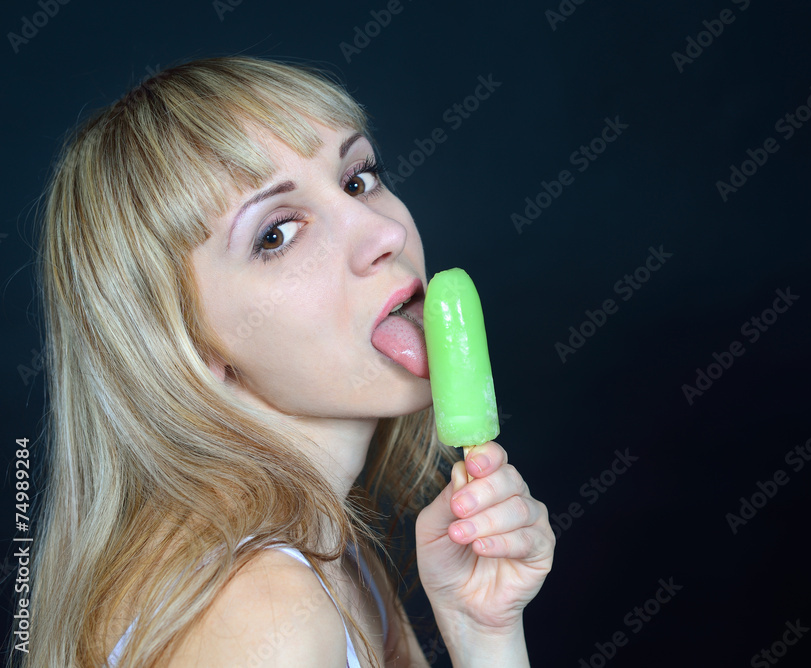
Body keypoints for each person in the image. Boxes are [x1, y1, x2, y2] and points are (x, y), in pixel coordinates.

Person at [20, 55, 554, 667]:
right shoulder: (264, 613)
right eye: (275, 234)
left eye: (357, 180)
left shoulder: (331, 556)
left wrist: (483, 634)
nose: (384, 234)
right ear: (189, 347)